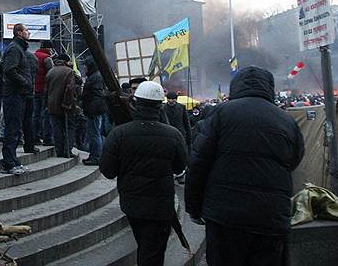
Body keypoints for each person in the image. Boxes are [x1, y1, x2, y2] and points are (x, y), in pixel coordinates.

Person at [185, 67, 305, 266]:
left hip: (225, 216)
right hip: (270, 216)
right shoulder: (286, 120)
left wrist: (194, 208)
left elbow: (198, 164)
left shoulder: (221, 114)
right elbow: (294, 159)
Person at [100, 81, 188, 266]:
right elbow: (180, 167)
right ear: (160, 105)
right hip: (161, 204)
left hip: (132, 203)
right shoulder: (173, 135)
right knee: (153, 252)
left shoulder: (118, 134)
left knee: (145, 245)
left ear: (136, 102)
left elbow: (107, 171)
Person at [0, 23, 32, 174]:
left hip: (18, 94)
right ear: (19, 32)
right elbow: (8, 70)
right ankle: (8, 162)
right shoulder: (14, 48)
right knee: (12, 128)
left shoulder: (18, 48)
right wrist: (25, 83)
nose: (29, 32)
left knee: (15, 128)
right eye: (26, 30)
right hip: (14, 95)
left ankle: (13, 160)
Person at [46, 54, 77, 158]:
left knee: (57, 128)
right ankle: (67, 150)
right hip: (65, 106)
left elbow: (46, 90)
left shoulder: (50, 71)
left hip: (52, 105)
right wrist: (68, 103)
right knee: (69, 128)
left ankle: (59, 150)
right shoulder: (69, 72)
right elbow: (70, 89)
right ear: (66, 61)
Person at [80, 57, 109, 166]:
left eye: (86, 65)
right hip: (93, 110)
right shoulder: (94, 76)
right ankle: (94, 155)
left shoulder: (95, 77)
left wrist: (91, 110)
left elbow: (96, 96)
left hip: (94, 111)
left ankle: (96, 156)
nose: (84, 68)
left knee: (94, 134)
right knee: (94, 133)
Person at [33, 40, 54, 145]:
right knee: (45, 114)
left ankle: (34, 136)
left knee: (35, 114)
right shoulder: (47, 59)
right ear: (48, 48)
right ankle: (47, 137)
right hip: (44, 90)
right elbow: (51, 75)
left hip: (34, 89)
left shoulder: (33, 56)